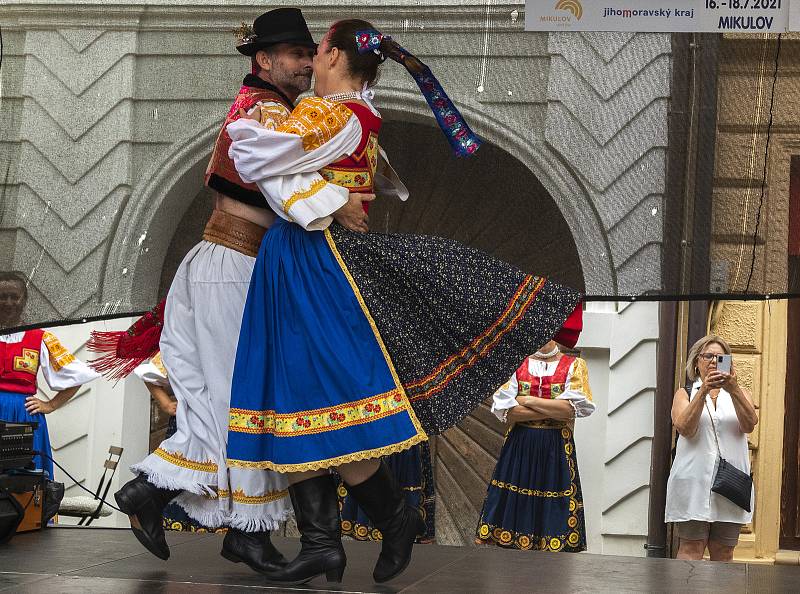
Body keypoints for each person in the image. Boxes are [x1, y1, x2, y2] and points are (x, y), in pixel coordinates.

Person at [225, 19, 583, 585]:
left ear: (337, 56)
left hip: (313, 261)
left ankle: (381, 520)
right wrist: (332, 193)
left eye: (318, 50)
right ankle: (333, 540)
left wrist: (312, 182)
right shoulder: (346, 113)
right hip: (298, 260)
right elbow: (289, 171)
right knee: (291, 403)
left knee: (303, 397)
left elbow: (253, 159)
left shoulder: (329, 113)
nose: (311, 59)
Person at [112, 8, 375, 575]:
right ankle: (159, 498)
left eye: (312, 53)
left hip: (227, 264)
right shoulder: (264, 111)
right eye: (296, 55)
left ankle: (235, 528)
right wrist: (339, 202)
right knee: (245, 402)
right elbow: (285, 191)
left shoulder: (270, 106)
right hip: (232, 262)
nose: (307, 64)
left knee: (235, 402)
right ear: (264, 59)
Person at [475, 341, 595, 552]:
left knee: (554, 503)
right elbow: (509, 414)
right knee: (514, 506)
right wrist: (554, 408)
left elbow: (570, 410)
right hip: (521, 445)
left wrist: (526, 399)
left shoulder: (574, 365)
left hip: (555, 447)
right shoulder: (515, 364)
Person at [665, 335, 758, 561]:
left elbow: (749, 424)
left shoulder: (740, 393)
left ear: (729, 362)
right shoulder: (685, 393)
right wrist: (703, 391)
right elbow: (685, 428)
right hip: (692, 482)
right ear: (697, 362)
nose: (714, 362)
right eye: (708, 356)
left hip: (730, 485)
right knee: (691, 549)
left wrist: (734, 388)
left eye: (721, 358)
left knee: (724, 551)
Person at [0, 271, 101, 478]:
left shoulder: (41, 338)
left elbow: (79, 375)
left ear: (24, 300)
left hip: (24, 416)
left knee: (26, 482)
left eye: (14, 296)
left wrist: (51, 405)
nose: (8, 302)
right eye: (3, 296)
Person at [133, 353, 226, 533]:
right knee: (182, 480)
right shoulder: (194, 334)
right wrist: (166, 404)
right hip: (190, 423)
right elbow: (151, 373)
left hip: (224, 425)